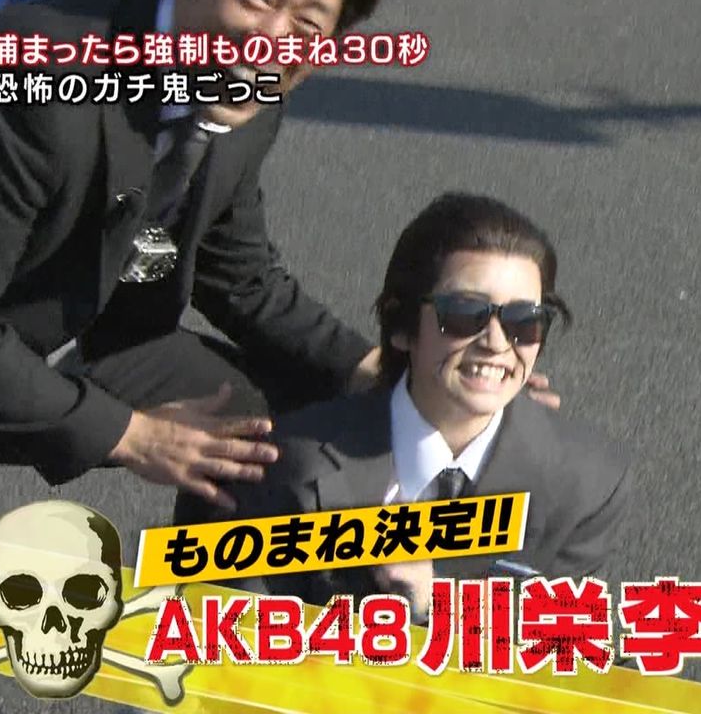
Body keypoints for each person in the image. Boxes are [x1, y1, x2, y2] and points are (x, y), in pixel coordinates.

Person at [0, 0, 557, 520]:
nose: (272, 38)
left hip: (71, 332)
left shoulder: (247, 91)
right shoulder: (29, 86)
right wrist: (129, 434)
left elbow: (241, 276)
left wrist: (395, 368)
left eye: (307, 23)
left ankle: (217, 623)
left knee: (275, 440)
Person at [209, 192, 633, 619]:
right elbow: (229, 638)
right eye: (465, 314)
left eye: (524, 321)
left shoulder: (587, 483)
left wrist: (437, 606)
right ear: (401, 326)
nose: (497, 343)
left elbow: (551, 642)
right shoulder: (281, 466)